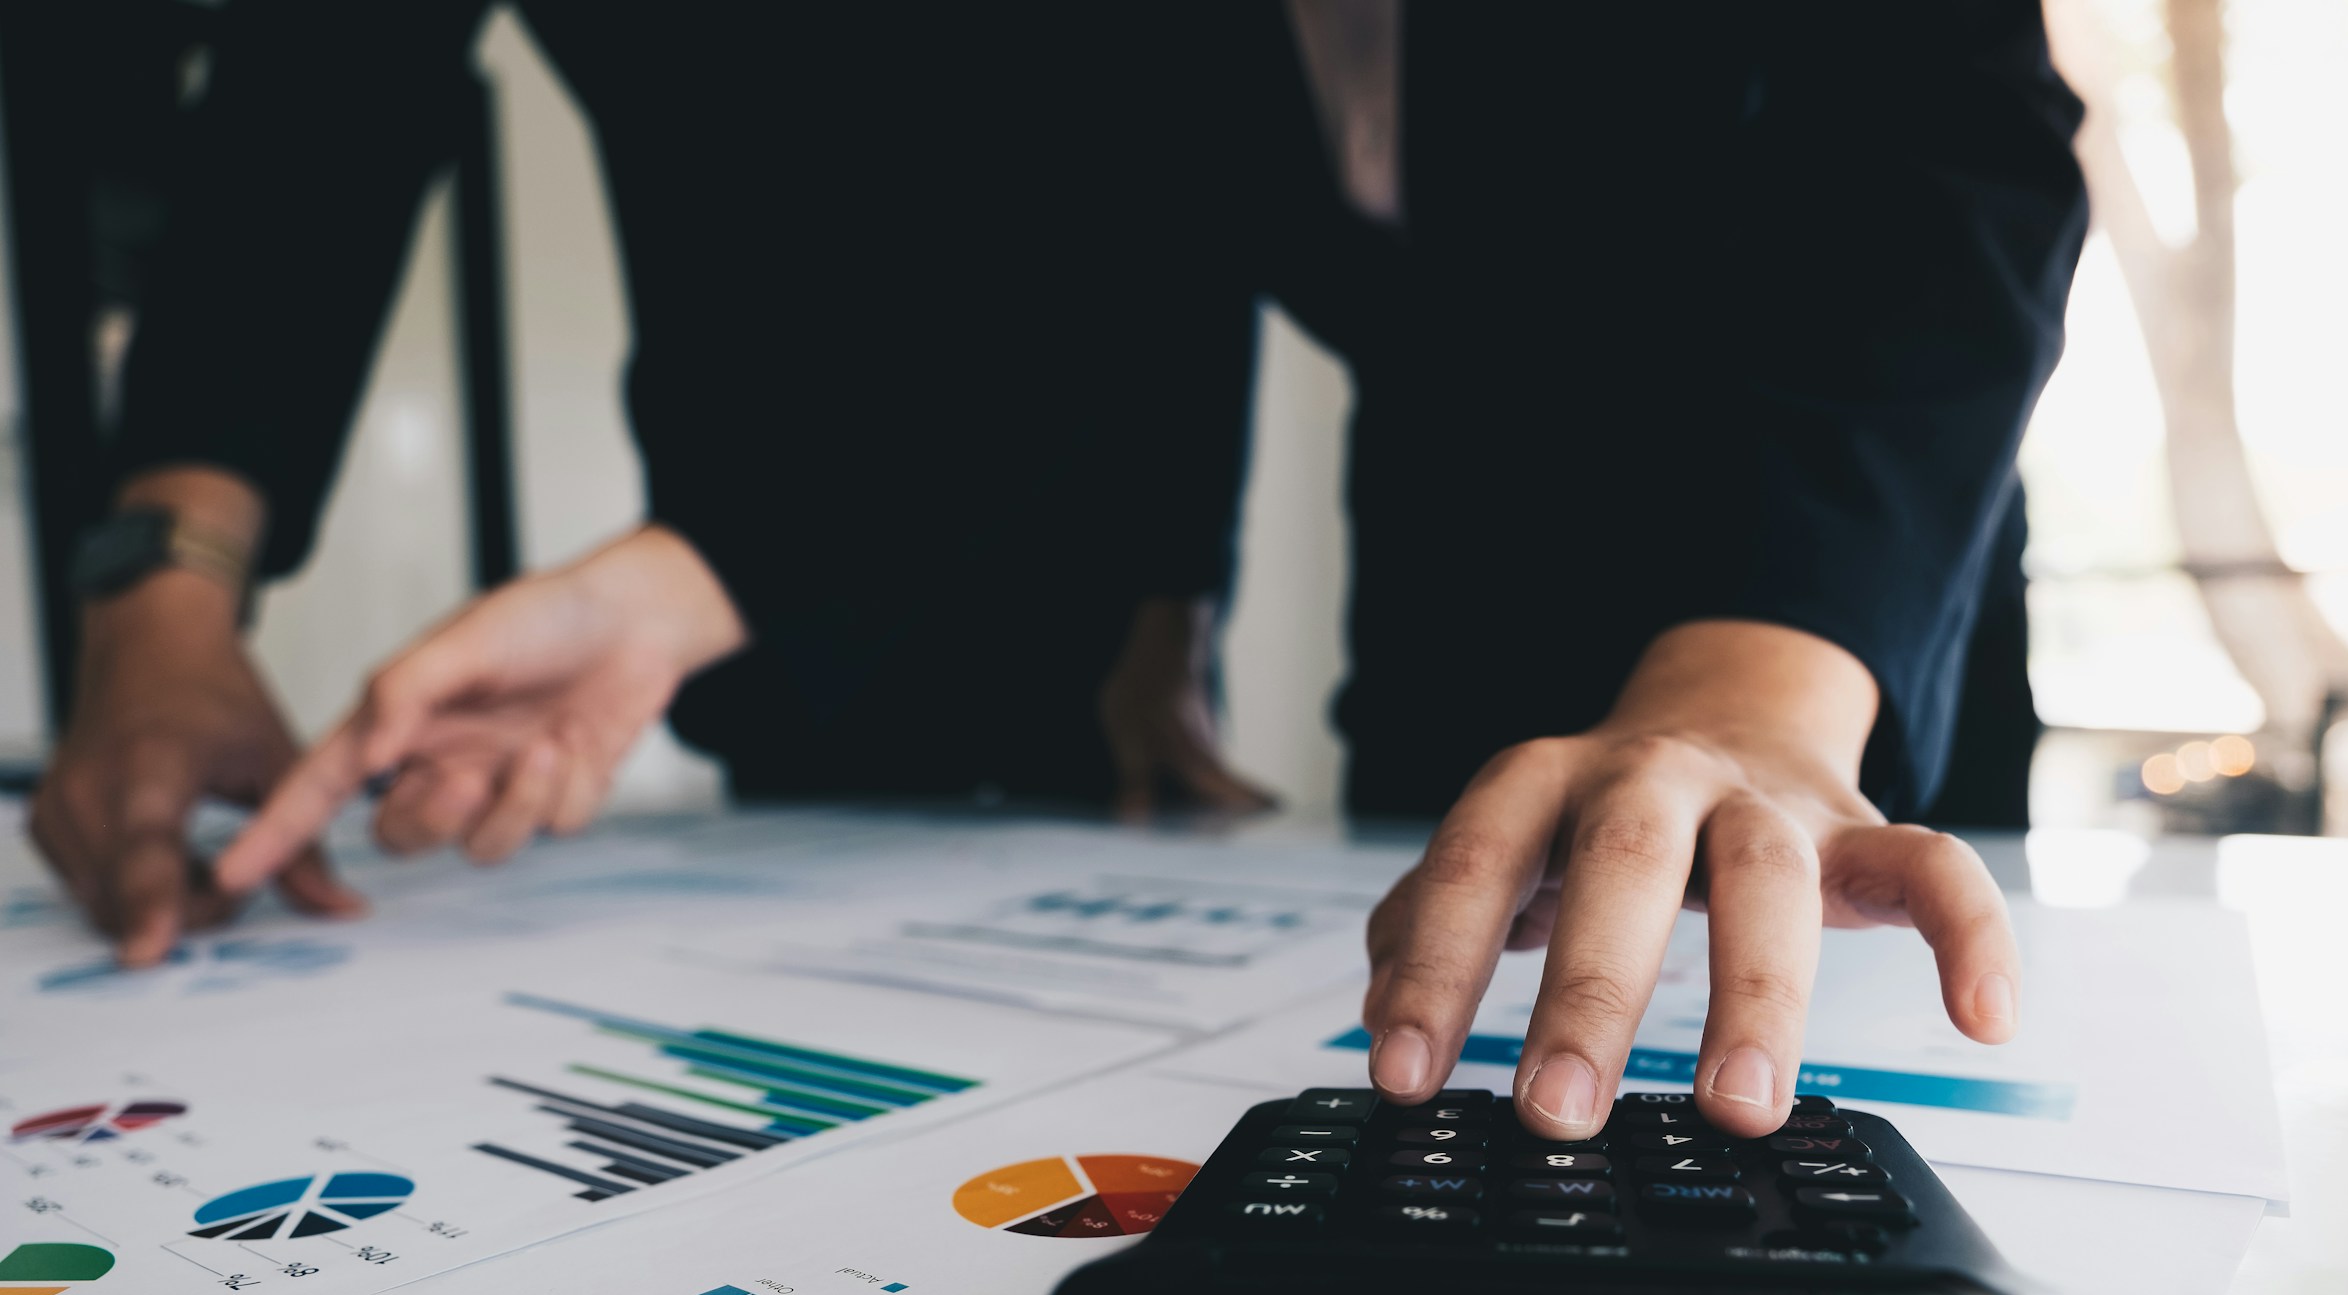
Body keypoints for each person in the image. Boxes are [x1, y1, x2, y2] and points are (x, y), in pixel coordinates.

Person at [30, 4, 1270, 972]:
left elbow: (1174, 168)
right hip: (767, 600)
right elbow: (308, 109)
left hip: (1088, 562)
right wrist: (161, 593)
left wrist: (1177, 598)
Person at [1166, 0, 2087, 1140]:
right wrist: (1167, 619)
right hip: (1450, 579)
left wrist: (1762, 686)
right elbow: (1180, 250)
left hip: (1845, 570)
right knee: (1438, 1098)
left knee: (1871, 1114)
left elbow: (1955, 146)